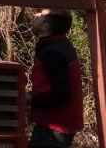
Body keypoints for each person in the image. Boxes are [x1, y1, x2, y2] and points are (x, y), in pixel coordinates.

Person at [29, 9, 83, 148]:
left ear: (46, 26)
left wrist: (29, 100)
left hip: (53, 129)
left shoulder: (54, 52)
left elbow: (61, 95)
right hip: (53, 126)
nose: (37, 14)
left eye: (42, 14)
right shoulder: (58, 46)